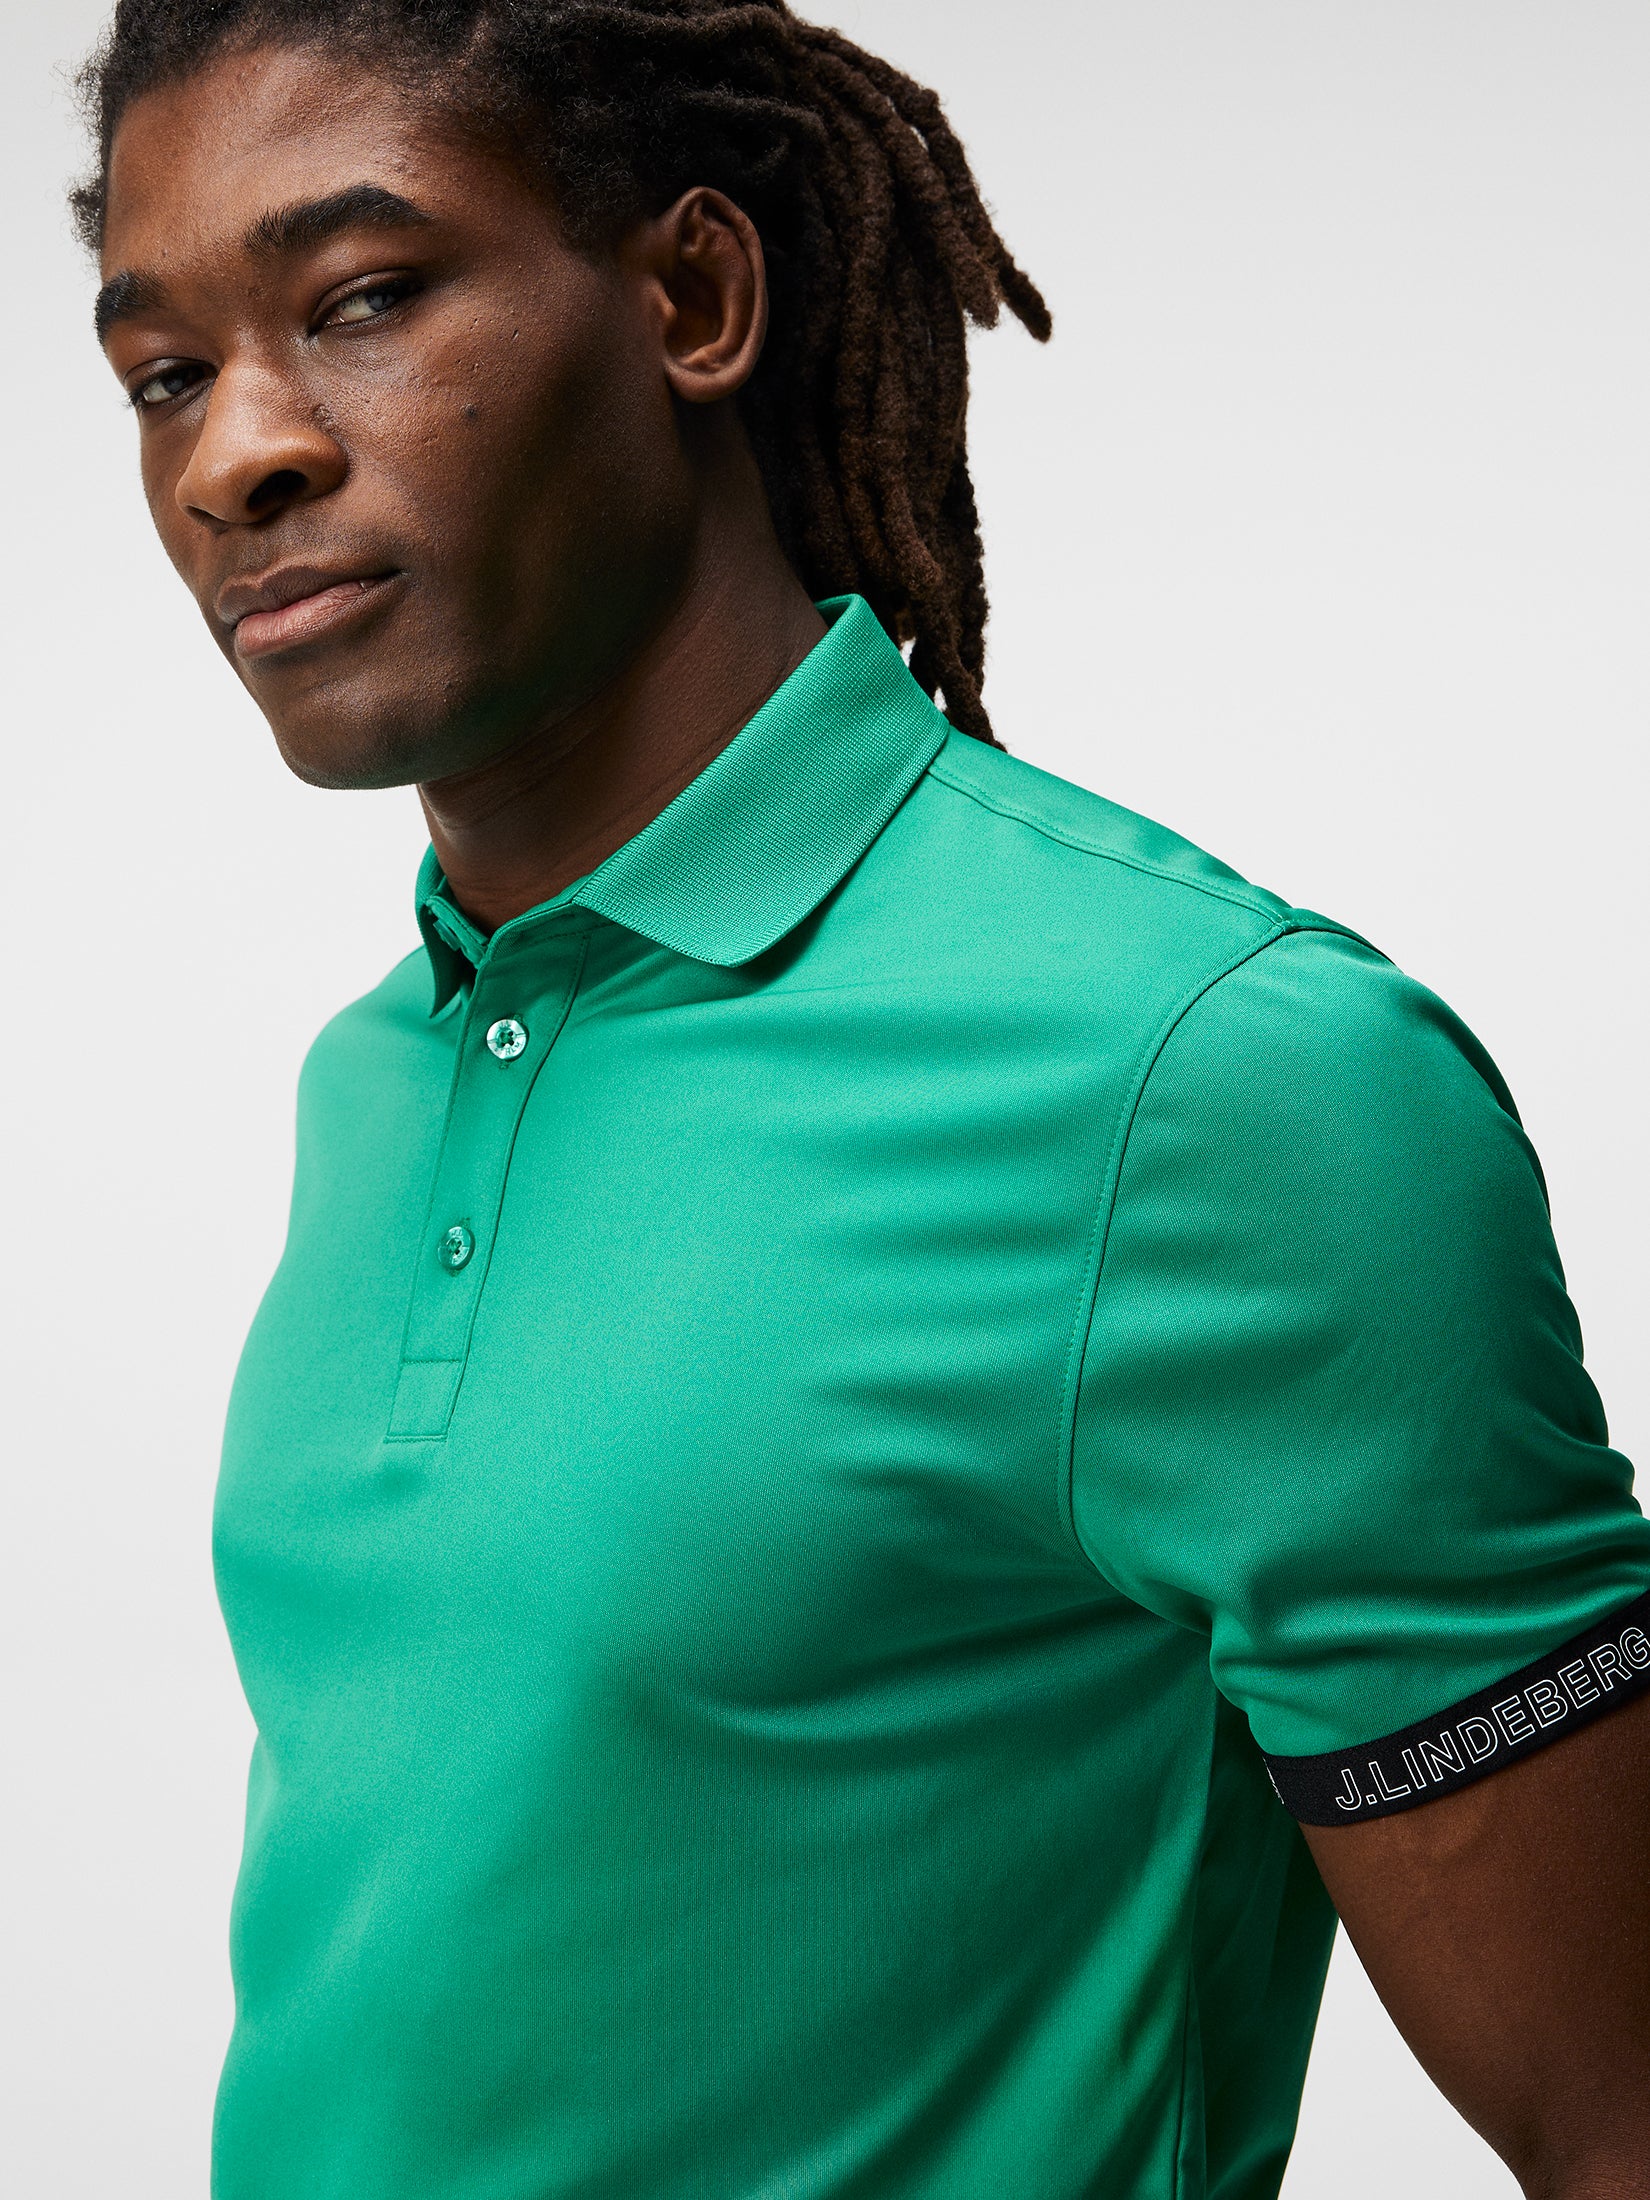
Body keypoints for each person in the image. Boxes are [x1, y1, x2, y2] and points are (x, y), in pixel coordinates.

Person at [77, 3, 1650, 2195]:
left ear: (692, 298)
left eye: (361, 298)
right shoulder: (383, 1066)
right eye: (163, 371)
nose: (232, 453)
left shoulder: (1207, 1079)